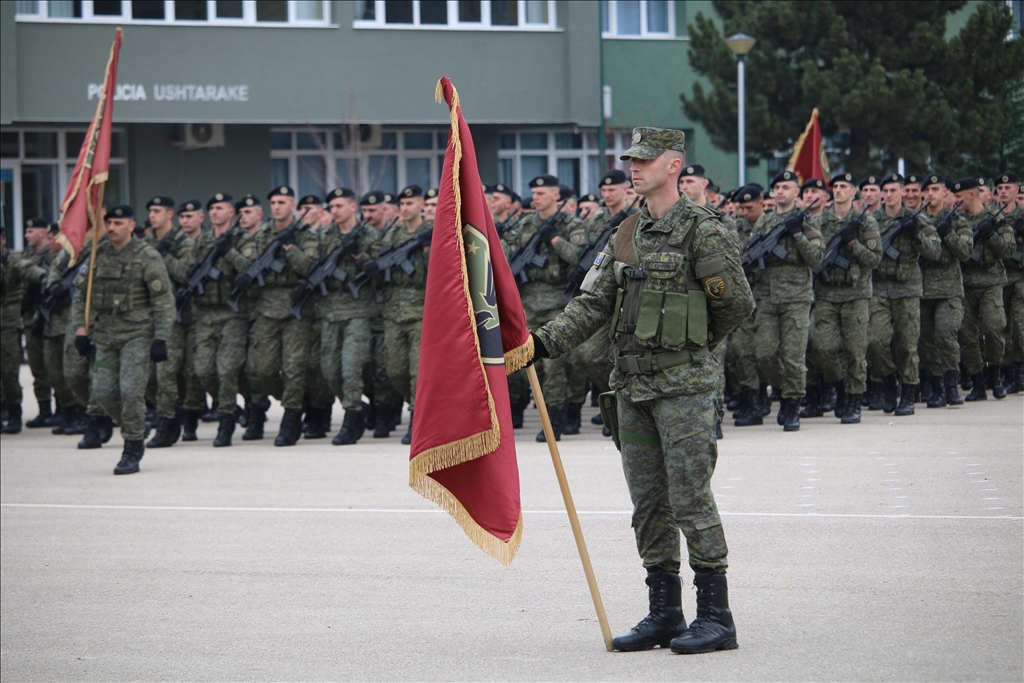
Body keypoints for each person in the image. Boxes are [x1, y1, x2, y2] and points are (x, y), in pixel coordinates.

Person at [530, 127, 753, 655]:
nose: (634, 168)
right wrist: (538, 345)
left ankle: (717, 617)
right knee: (648, 504)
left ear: (675, 165)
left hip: (685, 390)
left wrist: (692, 350)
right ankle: (665, 612)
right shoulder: (627, 231)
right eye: (631, 159)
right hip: (631, 387)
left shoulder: (704, 230)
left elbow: (736, 305)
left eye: (646, 160)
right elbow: (592, 304)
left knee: (690, 499)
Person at [71, 205, 173, 474]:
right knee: (103, 393)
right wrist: (81, 329)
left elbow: (163, 300)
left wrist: (161, 338)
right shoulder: (97, 255)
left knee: (130, 392)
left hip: (137, 336)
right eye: (109, 223)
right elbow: (81, 296)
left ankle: (132, 446)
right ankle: (135, 425)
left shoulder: (146, 256)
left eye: (118, 223)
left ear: (131, 225)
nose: (112, 228)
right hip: (104, 337)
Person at [505, 174, 585, 442]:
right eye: (534, 193)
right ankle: (546, 414)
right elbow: (505, 255)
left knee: (554, 367)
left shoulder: (571, 223)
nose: (536, 198)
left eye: (541, 193)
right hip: (527, 303)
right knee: (534, 366)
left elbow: (578, 257)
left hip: (557, 303)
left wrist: (554, 239)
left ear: (555, 196)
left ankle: (554, 419)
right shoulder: (525, 224)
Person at [245, 186, 320, 446]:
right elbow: (250, 265)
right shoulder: (262, 234)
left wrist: (289, 247)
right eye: (273, 202)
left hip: (294, 308)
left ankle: (291, 416)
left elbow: (310, 267)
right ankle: (295, 401)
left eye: (282, 202)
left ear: (292, 206)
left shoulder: (305, 235)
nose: (276, 207)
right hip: (266, 307)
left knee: (293, 367)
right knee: (263, 369)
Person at [751, 170, 824, 431]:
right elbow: (752, 252)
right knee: (765, 354)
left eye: (786, 187)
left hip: (796, 298)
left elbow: (817, 259)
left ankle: (792, 405)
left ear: (796, 192)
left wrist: (797, 236)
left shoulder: (807, 223)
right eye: (777, 187)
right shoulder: (764, 221)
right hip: (766, 299)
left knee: (793, 356)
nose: (780, 191)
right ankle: (783, 390)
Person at [811, 173, 882, 423]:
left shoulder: (866, 222)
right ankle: (840, 385)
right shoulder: (819, 221)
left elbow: (874, 259)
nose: (838, 190)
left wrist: (853, 243)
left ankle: (854, 399)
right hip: (826, 294)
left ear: (854, 192)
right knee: (824, 348)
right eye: (836, 186)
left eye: (844, 187)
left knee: (855, 350)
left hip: (856, 294)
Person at [317, 187, 381, 445]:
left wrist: (358, 255)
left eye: (339, 206)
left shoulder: (369, 235)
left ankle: (352, 416)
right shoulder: (325, 236)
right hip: (331, 311)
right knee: (330, 369)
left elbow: (379, 269)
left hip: (359, 310)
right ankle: (356, 406)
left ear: (353, 207)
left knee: (350, 368)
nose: (335, 211)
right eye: (331, 207)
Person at [191, 192, 254, 447]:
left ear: (232, 213)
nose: (215, 212)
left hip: (233, 313)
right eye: (212, 208)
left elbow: (249, 268)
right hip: (206, 314)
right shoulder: (203, 241)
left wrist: (229, 252)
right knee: (204, 370)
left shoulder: (243, 240)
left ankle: (226, 419)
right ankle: (236, 404)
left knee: (227, 369)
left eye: (220, 208)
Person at [377, 185, 432, 445]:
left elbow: (442, 269)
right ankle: (416, 406)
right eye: (403, 204)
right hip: (394, 311)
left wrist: (426, 249)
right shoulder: (393, 234)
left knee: (416, 371)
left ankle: (417, 419)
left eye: (410, 203)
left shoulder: (431, 232)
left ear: (421, 204)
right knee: (395, 369)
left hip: (422, 311)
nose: (406, 208)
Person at [955, 177, 1014, 400]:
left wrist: (991, 235)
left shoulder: (995, 218)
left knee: (994, 328)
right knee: (968, 336)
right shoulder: (956, 220)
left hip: (991, 282)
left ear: (972, 195)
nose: (956, 201)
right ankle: (978, 382)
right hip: (966, 284)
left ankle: (995, 374)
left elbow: (1008, 250)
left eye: (959, 197)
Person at [918, 174, 972, 407]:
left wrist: (948, 232)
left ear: (944, 193)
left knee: (945, 335)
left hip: (949, 289)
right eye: (927, 189)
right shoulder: (916, 221)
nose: (930, 193)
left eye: (935, 189)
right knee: (927, 341)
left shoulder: (957, 220)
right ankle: (937, 387)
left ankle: (951, 384)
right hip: (922, 289)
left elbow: (966, 253)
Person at [994, 172, 1023, 392]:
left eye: (1007, 188)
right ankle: (1004, 371)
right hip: (996, 279)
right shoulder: (990, 218)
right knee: (999, 328)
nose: (1003, 191)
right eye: (1000, 189)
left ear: (1016, 190)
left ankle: (1019, 371)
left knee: (1018, 326)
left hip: (1019, 279)